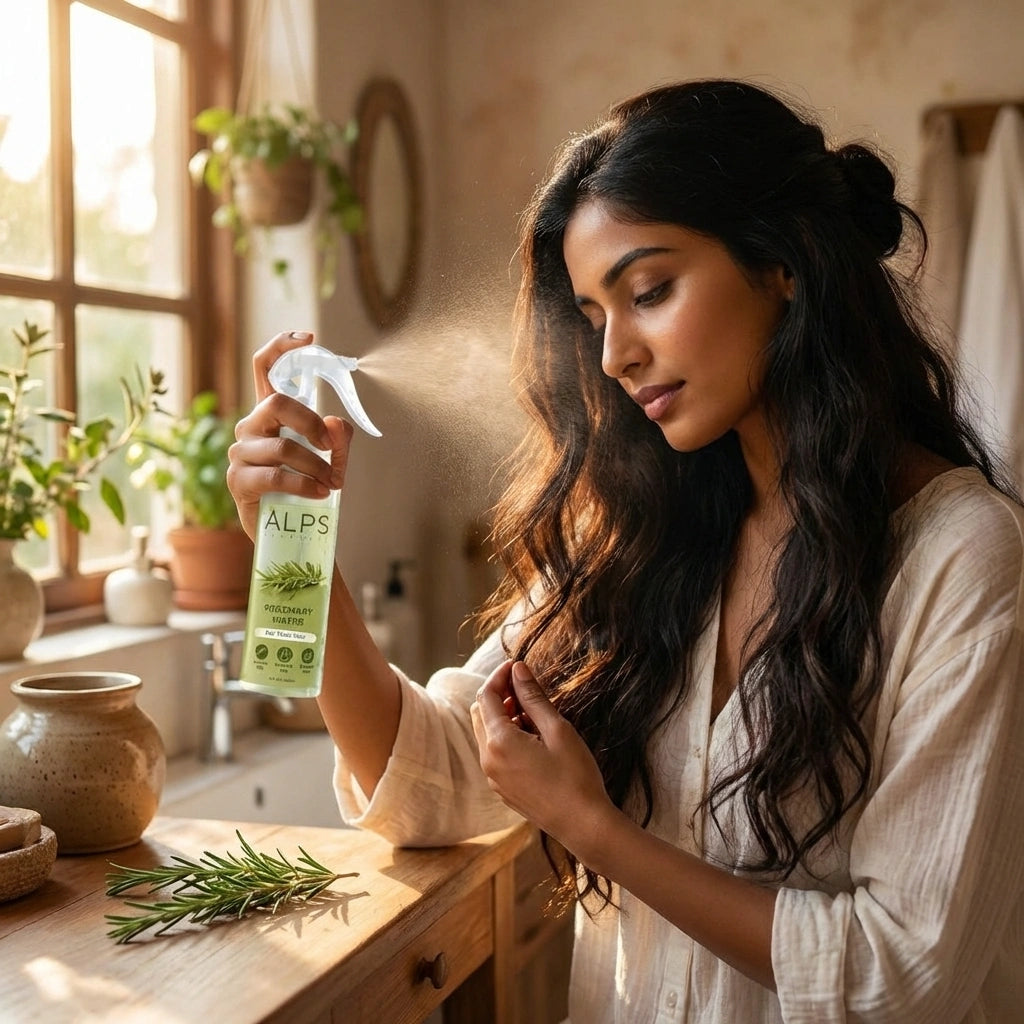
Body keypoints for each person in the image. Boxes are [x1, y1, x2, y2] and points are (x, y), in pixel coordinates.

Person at [226, 79, 1024, 1022]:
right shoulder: (641, 537)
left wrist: (589, 826)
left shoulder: (959, 557)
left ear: (784, 264)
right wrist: (293, 551)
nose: (614, 357)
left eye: (649, 291)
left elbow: (901, 973)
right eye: (597, 317)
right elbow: (436, 783)